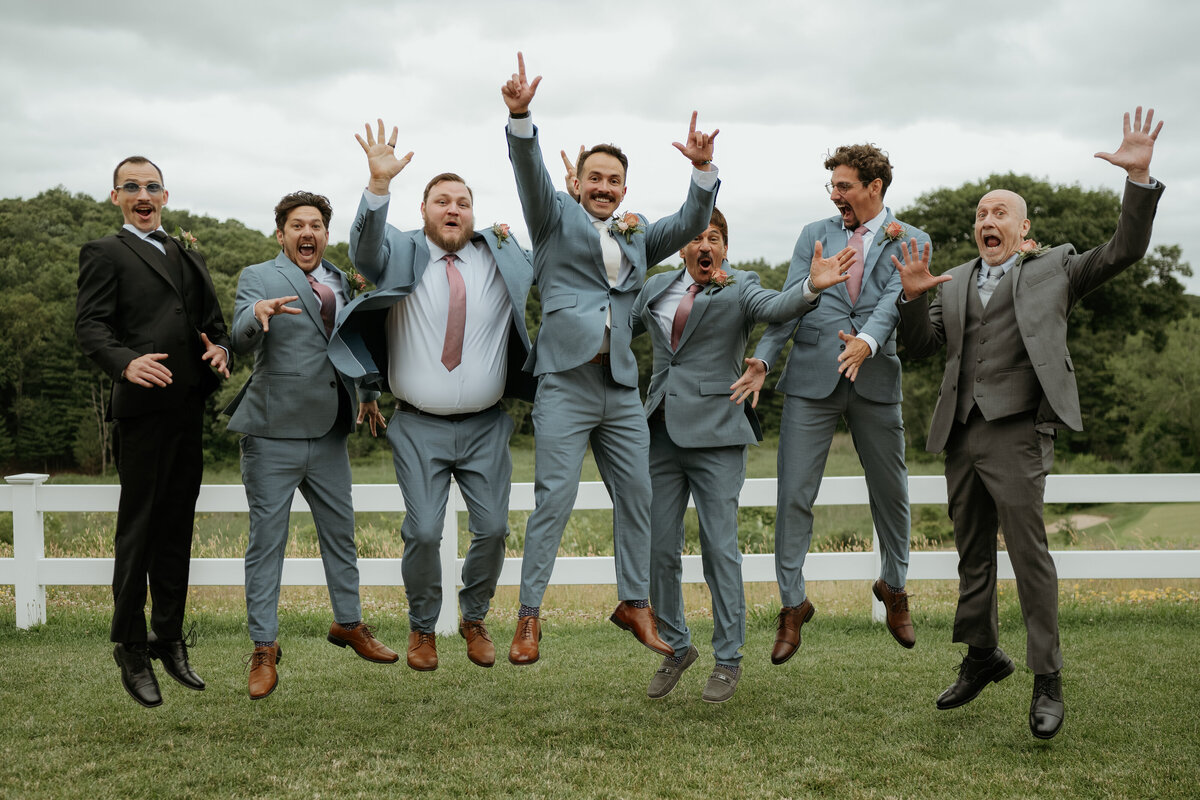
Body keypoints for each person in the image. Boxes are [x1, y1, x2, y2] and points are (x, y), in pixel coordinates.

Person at [893, 107, 1163, 739]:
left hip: (1018, 432)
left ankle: (1047, 677)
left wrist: (1139, 179)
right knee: (970, 556)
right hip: (961, 433)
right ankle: (983, 656)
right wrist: (911, 296)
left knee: (1029, 556)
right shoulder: (952, 281)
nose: (989, 220)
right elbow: (922, 345)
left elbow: (1126, 249)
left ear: (1024, 228)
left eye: (1000, 213)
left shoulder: (1056, 269)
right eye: (982, 213)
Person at [501, 52, 719, 665]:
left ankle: (634, 603)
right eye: (594, 178)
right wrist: (522, 117)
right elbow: (527, 171)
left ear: (625, 188)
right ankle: (528, 616)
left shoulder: (636, 234)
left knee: (639, 497)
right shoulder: (553, 221)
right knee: (556, 499)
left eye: (613, 181)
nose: (603, 187)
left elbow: (691, 221)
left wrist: (702, 171)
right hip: (565, 383)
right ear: (579, 183)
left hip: (620, 385)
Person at [329, 120, 535, 671]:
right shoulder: (398, 251)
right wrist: (377, 186)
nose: (453, 209)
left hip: (488, 424)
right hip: (417, 424)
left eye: (462, 202)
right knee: (421, 531)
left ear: (474, 212)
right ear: (423, 210)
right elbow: (363, 248)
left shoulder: (503, 255)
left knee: (493, 529)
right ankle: (424, 627)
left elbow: (558, 253)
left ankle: (474, 617)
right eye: (441, 200)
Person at [632, 208, 853, 702]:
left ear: (724, 248)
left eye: (714, 237)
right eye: (694, 239)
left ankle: (728, 657)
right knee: (658, 548)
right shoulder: (655, 289)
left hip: (718, 432)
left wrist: (811, 288)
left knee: (719, 549)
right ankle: (676, 646)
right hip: (659, 430)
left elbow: (777, 307)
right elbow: (616, 325)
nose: (704, 245)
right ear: (682, 250)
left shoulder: (740, 285)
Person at [733, 144, 931, 662]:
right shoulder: (813, 234)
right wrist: (764, 359)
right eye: (833, 187)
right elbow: (794, 301)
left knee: (892, 492)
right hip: (811, 380)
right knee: (794, 494)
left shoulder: (911, 240)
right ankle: (793, 605)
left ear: (874, 188)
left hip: (876, 377)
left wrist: (867, 340)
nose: (836, 195)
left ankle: (894, 587)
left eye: (844, 186)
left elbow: (893, 299)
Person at [225, 191, 399, 700]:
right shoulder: (258, 277)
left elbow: (352, 341)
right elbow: (238, 337)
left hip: (329, 431)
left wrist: (367, 394)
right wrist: (255, 314)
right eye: (298, 225)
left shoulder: (344, 281)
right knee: (267, 544)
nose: (308, 233)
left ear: (326, 233)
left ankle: (349, 623)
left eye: (317, 225)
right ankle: (263, 647)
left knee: (341, 535)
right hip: (271, 430)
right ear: (281, 234)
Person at [75, 156, 230, 708]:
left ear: (166, 195)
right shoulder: (105, 252)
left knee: (176, 530)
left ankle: (169, 639)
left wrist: (221, 349)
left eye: (152, 186)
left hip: (188, 409)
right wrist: (124, 363)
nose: (143, 194)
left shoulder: (188, 252)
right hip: (141, 410)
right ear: (116, 196)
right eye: (132, 187)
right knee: (139, 530)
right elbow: (90, 326)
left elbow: (210, 325)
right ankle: (130, 646)